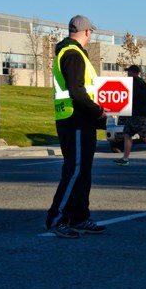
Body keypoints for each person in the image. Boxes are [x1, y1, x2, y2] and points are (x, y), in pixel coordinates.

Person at [45, 15, 109, 239]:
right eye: (91, 32)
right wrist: (98, 111)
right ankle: (57, 218)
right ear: (88, 32)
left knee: (81, 172)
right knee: (75, 171)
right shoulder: (73, 54)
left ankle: (79, 217)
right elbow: (77, 92)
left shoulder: (70, 52)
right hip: (77, 120)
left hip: (76, 119)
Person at [113, 65, 146, 169]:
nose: (127, 73)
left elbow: (128, 94)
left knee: (145, 135)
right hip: (137, 112)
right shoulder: (142, 83)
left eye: (129, 71)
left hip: (137, 113)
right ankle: (125, 159)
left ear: (134, 72)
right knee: (127, 133)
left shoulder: (133, 82)